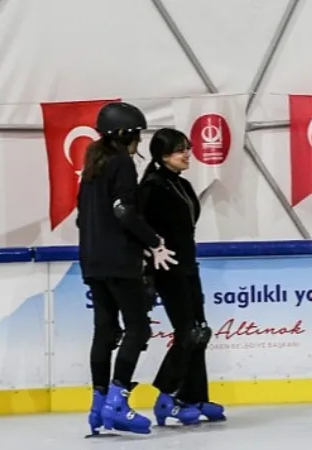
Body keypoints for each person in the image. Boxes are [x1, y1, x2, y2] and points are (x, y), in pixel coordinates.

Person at [78, 102, 178, 436]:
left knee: (104, 331)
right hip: (119, 260)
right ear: (124, 135)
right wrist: (153, 242)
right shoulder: (121, 163)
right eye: (136, 134)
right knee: (138, 328)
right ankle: (117, 402)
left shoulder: (92, 165)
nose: (138, 142)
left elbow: (82, 217)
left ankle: (98, 404)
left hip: (92, 259)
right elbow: (123, 209)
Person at [137, 128, 226, 427]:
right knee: (187, 331)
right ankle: (165, 396)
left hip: (188, 265)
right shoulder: (151, 187)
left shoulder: (182, 185)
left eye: (187, 148)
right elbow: (140, 230)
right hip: (167, 268)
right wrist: (149, 269)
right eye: (180, 150)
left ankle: (194, 395)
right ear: (163, 156)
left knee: (200, 329)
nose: (187, 154)